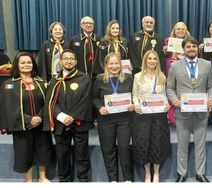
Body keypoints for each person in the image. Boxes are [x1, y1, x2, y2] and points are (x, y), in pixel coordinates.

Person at [166, 37, 212, 182]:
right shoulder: (175, 66)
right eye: (188, 47)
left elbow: (211, 86)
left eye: (194, 46)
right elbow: (169, 88)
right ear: (183, 49)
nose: (191, 49)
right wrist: (174, 99)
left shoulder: (207, 64)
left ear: (197, 48)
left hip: (201, 112)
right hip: (182, 112)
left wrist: (211, 98)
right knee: (182, 145)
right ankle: (182, 173)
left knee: (201, 144)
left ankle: (200, 173)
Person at [0, 52, 52, 182]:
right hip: (21, 125)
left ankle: (42, 177)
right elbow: (9, 107)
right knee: (24, 152)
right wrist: (29, 119)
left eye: (29, 62)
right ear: (17, 65)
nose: (26, 65)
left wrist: (39, 117)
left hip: (41, 124)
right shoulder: (9, 84)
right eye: (22, 63)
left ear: (33, 65)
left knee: (43, 150)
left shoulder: (41, 82)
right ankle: (28, 180)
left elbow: (48, 103)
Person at [44, 49, 93, 182]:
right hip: (60, 123)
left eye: (72, 58)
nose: (69, 61)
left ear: (76, 61)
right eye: (66, 58)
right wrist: (61, 116)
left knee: (82, 154)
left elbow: (86, 100)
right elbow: (50, 101)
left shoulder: (84, 78)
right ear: (61, 61)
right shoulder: (55, 80)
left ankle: (83, 180)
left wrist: (72, 116)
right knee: (62, 154)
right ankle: (64, 180)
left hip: (80, 123)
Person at [93, 52, 134, 182]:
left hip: (124, 119)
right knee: (108, 149)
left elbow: (134, 96)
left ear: (121, 65)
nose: (114, 66)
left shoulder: (128, 78)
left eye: (117, 63)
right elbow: (94, 98)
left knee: (124, 148)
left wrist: (133, 104)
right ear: (106, 65)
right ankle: (113, 180)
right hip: (106, 120)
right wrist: (100, 107)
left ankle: (128, 179)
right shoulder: (100, 79)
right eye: (111, 63)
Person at [132, 50, 171, 182]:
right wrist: (136, 105)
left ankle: (157, 173)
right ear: (145, 61)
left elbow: (164, 95)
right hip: (142, 116)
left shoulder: (162, 76)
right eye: (149, 59)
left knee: (158, 144)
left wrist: (166, 104)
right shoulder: (138, 77)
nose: (152, 61)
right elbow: (135, 95)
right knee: (145, 144)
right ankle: (147, 173)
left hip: (158, 117)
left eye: (154, 59)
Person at [163, 21, 191, 126]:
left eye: (182, 29)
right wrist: (165, 51)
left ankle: (185, 117)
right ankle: (172, 119)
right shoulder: (168, 41)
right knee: (171, 91)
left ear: (186, 31)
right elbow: (164, 57)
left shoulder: (189, 42)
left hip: (185, 70)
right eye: (178, 29)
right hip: (170, 69)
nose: (180, 31)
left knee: (183, 91)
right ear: (174, 31)